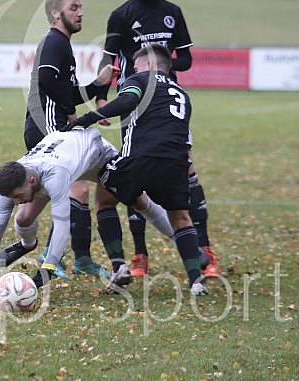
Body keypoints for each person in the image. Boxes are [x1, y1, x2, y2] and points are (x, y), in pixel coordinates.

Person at [97, 0, 220, 278]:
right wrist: (101, 97)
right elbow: (109, 60)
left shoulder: (172, 12)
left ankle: (205, 249)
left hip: (169, 106)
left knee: (187, 167)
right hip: (134, 103)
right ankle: (140, 255)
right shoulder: (120, 15)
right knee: (134, 169)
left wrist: (159, 65)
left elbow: (187, 60)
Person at [64, 43, 210, 296]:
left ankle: (119, 267)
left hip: (140, 158)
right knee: (181, 219)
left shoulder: (142, 79)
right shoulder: (182, 94)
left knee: (105, 198)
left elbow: (128, 100)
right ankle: (196, 280)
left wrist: (86, 118)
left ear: (150, 66)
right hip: (175, 163)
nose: (131, 72)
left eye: (135, 66)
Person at [0, 128, 173, 298]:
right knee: (23, 217)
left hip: (99, 157)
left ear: (32, 181)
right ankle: (27, 244)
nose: (16, 201)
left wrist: (47, 269)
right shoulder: (15, 180)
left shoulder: (55, 175)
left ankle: (179, 237)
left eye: (18, 195)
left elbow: (62, 225)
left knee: (140, 202)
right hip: (62, 156)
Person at [24, 0, 117, 279]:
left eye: (81, 8)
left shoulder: (63, 44)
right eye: (73, 8)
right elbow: (48, 83)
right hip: (47, 127)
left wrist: (97, 85)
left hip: (49, 126)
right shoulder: (54, 42)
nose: (80, 13)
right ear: (55, 13)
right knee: (77, 187)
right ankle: (60, 257)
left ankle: (62, 253)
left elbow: (66, 91)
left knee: (34, 206)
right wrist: (74, 115)